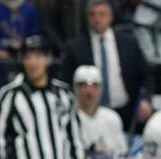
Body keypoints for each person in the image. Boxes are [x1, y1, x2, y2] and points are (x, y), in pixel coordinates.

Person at [61, 0, 154, 130]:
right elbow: (65, 82)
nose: (97, 19)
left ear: (110, 17)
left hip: (126, 112)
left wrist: (146, 99)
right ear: (87, 19)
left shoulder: (129, 43)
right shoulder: (75, 48)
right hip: (90, 114)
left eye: (102, 14)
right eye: (92, 15)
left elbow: (146, 75)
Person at [73, 65, 128, 159]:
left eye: (94, 86)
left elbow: (121, 153)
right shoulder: (69, 118)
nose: (89, 91)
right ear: (75, 88)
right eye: (83, 85)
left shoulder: (112, 118)